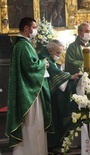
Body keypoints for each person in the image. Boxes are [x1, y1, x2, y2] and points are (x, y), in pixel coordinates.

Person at [5, 17, 54, 155]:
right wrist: (43, 63)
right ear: (26, 28)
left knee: (34, 125)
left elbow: (30, 63)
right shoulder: (22, 45)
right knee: (32, 124)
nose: (35, 31)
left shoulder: (23, 44)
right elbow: (30, 67)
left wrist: (40, 63)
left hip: (29, 90)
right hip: (29, 93)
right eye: (34, 27)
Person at [38, 39, 79, 154]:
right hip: (47, 96)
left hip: (53, 94)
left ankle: (60, 144)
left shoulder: (49, 57)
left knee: (57, 118)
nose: (59, 55)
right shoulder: (44, 58)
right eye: (57, 53)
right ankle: (53, 145)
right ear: (50, 50)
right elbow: (53, 71)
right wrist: (70, 77)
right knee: (54, 118)